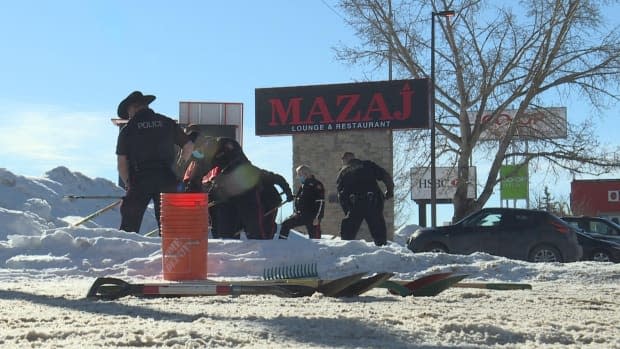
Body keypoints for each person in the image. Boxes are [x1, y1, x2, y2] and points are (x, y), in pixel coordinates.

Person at [115, 91, 193, 234]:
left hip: (140, 178)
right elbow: (188, 146)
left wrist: (129, 183)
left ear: (133, 108)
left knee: (129, 227)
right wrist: (179, 169)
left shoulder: (128, 130)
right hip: (167, 177)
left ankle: (124, 254)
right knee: (171, 229)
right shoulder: (167, 122)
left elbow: (121, 163)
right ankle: (173, 254)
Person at [336, 152, 394, 246]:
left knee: (347, 236)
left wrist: (347, 211)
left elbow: (341, 195)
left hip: (355, 204)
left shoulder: (342, 173)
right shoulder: (367, 165)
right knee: (379, 234)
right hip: (373, 201)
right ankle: (383, 252)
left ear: (345, 160)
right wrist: (389, 191)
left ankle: (345, 253)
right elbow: (385, 176)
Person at [279, 165, 325, 239]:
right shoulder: (303, 186)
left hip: (312, 216)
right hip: (301, 214)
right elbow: (299, 200)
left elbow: (320, 202)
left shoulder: (316, 184)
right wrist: (295, 212)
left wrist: (317, 217)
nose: (299, 177)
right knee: (286, 224)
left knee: (315, 238)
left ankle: (316, 249)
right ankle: (281, 243)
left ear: (306, 173)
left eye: (300, 175)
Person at [259, 169, 294, 239]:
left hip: (272, 201)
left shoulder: (261, 174)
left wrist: (288, 193)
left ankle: (269, 238)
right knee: (260, 221)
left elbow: (279, 179)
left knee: (269, 221)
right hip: (260, 203)